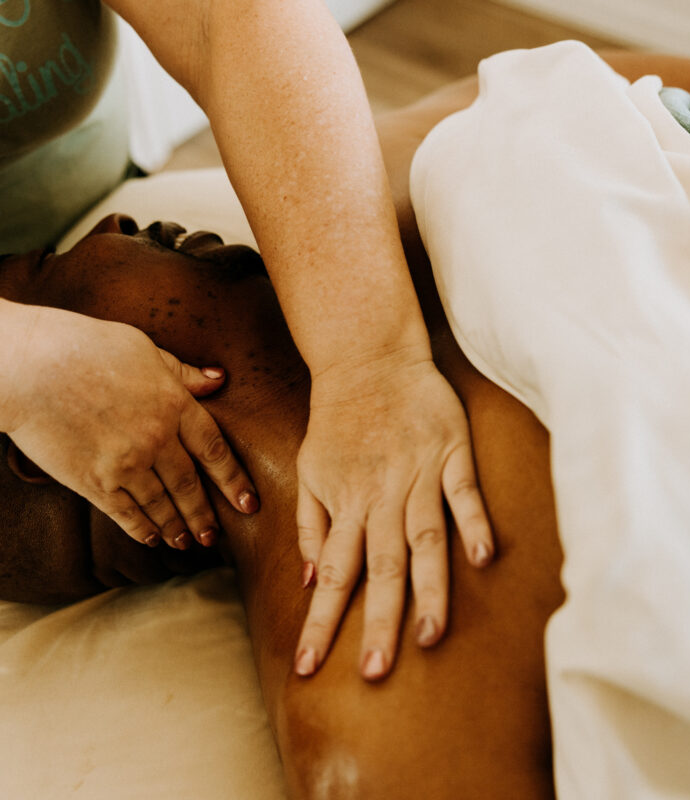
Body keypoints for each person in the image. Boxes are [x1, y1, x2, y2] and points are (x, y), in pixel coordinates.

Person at [4, 46, 690, 798]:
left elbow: (620, 84)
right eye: (45, 269)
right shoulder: (375, 681)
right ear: (53, 443)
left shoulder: (364, 200)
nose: (111, 226)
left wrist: (373, 364)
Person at [0, 0, 494, 682]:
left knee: (470, 146)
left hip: (82, 210)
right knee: (218, 347)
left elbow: (225, 17)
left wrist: (371, 364)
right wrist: (20, 363)